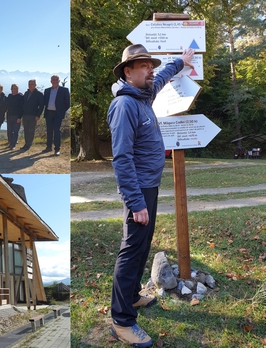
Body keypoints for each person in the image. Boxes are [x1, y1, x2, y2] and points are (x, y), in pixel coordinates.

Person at [107, 44, 194, 347]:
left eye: (150, 64)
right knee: (131, 251)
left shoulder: (144, 95)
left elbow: (164, 74)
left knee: (143, 246)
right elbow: (121, 157)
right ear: (128, 72)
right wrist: (135, 202)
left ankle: (132, 297)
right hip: (139, 190)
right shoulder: (125, 106)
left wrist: (180, 62)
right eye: (142, 66)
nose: (150, 70)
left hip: (149, 187)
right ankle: (121, 321)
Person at [42, 74, 71, 156]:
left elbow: (67, 103)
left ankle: (57, 149)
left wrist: (61, 111)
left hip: (58, 114)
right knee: (49, 130)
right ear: (50, 81)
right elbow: (44, 102)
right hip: (49, 113)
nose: (54, 81)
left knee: (57, 131)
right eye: (53, 79)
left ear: (59, 81)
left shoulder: (64, 90)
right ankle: (48, 147)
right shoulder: (47, 91)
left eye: (56, 79)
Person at [21, 79, 45, 151]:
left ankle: (29, 144)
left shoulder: (39, 94)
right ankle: (26, 143)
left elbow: (41, 106)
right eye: (29, 84)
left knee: (31, 130)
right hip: (25, 115)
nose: (30, 85)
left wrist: (38, 115)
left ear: (35, 85)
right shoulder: (26, 93)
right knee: (26, 130)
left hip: (33, 115)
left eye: (32, 84)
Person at [7, 84, 24, 150]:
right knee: (10, 130)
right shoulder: (10, 96)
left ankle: (13, 144)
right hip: (9, 115)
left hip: (17, 116)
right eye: (14, 88)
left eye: (17, 88)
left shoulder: (20, 96)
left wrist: (19, 117)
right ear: (11, 89)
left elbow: (22, 108)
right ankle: (10, 143)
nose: (16, 89)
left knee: (15, 131)